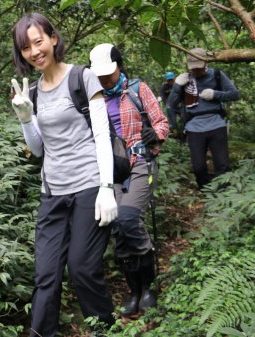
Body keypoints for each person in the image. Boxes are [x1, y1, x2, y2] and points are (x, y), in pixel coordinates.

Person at [10, 13, 117, 336]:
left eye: (38, 41)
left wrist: (107, 187)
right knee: (46, 275)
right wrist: (26, 118)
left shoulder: (82, 78)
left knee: (83, 268)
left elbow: (101, 134)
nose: (34, 51)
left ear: (53, 39)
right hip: (53, 191)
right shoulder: (36, 92)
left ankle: (104, 330)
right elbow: (39, 150)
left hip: (89, 186)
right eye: (26, 47)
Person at [89, 43, 169, 317]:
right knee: (117, 228)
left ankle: (149, 288)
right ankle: (134, 291)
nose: (105, 79)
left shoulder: (137, 89)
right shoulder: (93, 99)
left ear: (120, 66)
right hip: (109, 170)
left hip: (140, 162)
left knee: (128, 218)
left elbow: (161, 122)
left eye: (109, 73)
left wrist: (155, 135)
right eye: (100, 75)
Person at [167, 48, 239, 189]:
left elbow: (235, 94)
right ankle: (206, 192)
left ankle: (223, 196)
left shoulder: (217, 75)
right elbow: (171, 104)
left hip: (216, 124)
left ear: (206, 63)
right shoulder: (185, 80)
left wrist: (215, 94)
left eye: (199, 68)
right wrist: (177, 86)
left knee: (222, 165)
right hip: (194, 127)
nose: (196, 71)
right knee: (198, 167)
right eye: (193, 68)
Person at [159, 72, 183, 140]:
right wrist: (160, 98)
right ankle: (175, 134)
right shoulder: (164, 86)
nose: (170, 82)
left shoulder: (178, 85)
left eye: (171, 80)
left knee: (184, 119)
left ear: (174, 79)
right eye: (169, 80)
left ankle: (183, 135)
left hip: (179, 105)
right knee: (173, 121)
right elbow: (161, 94)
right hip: (170, 106)